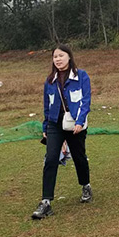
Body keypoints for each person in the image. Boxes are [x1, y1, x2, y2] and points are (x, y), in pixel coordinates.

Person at [32, 44, 92, 219]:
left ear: (69, 57)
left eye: (61, 56)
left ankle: (86, 185)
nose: (58, 59)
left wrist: (80, 121)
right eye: (55, 56)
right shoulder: (50, 80)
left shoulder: (81, 76)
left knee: (79, 157)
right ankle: (46, 202)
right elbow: (47, 104)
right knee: (51, 159)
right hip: (55, 124)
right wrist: (45, 126)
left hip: (74, 123)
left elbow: (85, 101)